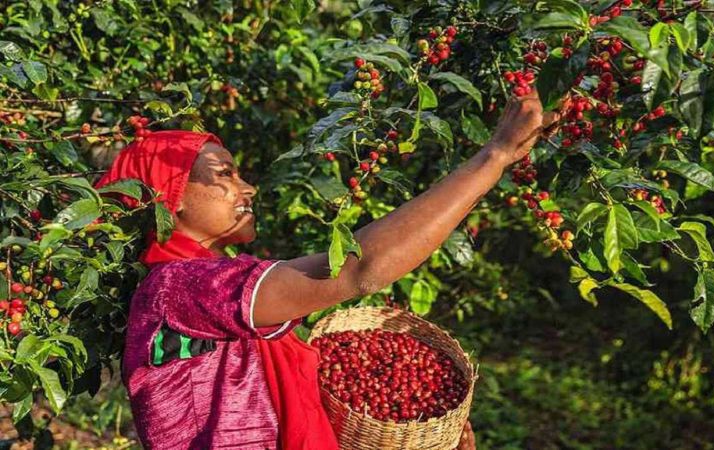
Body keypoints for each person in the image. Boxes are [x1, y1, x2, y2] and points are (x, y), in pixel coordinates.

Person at [96, 88, 560, 450]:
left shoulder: (210, 282)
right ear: (166, 196)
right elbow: (362, 269)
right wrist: (493, 157)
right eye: (225, 174)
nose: (249, 187)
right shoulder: (179, 286)